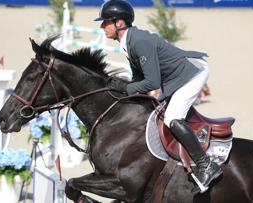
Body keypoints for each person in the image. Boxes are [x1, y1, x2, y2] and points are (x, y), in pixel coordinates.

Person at [94, 0, 222, 192]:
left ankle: (206, 166)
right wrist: (125, 88)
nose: (102, 26)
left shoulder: (138, 41)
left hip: (192, 73)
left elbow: (152, 82)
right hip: (177, 76)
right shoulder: (128, 42)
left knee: (172, 118)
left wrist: (127, 88)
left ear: (119, 23)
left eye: (105, 22)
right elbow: (139, 77)